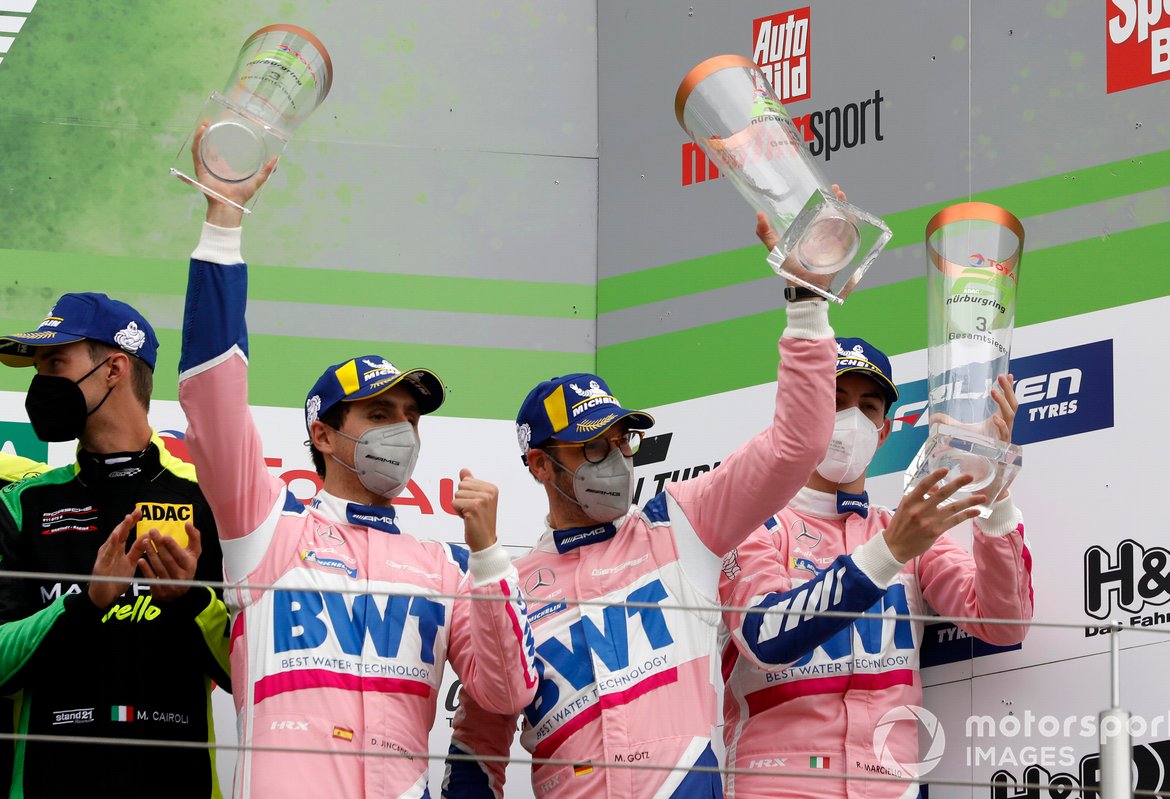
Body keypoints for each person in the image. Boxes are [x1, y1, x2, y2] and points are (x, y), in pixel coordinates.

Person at [176, 133, 537, 799]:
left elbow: (507, 690)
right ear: (324, 433)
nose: (400, 428)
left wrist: (487, 555)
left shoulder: (445, 568)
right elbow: (210, 398)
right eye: (377, 413)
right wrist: (223, 223)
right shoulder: (266, 529)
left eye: (409, 414)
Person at [444, 257, 838, 797]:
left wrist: (807, 304)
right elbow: (475, 748)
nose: (616, 460)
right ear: (538, 464)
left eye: (623, 441)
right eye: (592, 447)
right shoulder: (505, 587)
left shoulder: (681, 522)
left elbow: (796, 446)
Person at [718, 334, 1034, 799]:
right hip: (777, 784)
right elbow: (765, 637)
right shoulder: (755, 526)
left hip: (892, 785)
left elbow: (1005, 624)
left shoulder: (905, 527)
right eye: (835, 400)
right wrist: (887, 553)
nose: (852, 418)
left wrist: (993, 486)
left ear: (884, 431)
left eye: (868, 407)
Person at [0, 294, 229, 797]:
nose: (40, 384)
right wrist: (86, 600)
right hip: (46, 781)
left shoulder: (211, 497)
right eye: (37, 368)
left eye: (55, 362)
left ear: (114, 369)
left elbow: (254, 669)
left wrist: (190, 599)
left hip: (178, 783)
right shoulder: (23, 503)